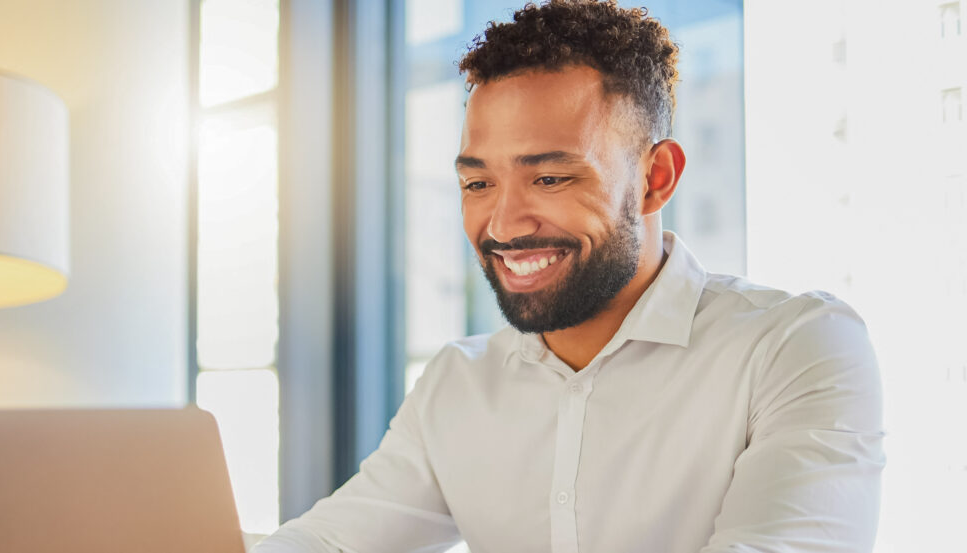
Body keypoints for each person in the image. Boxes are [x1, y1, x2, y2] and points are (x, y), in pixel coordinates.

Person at [253, 1, 885, 551]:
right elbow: (332, 540)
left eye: (550, 177)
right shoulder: (457, 384)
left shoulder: (795, 346)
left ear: (655, 178)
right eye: (477, 183)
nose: (504, 223)